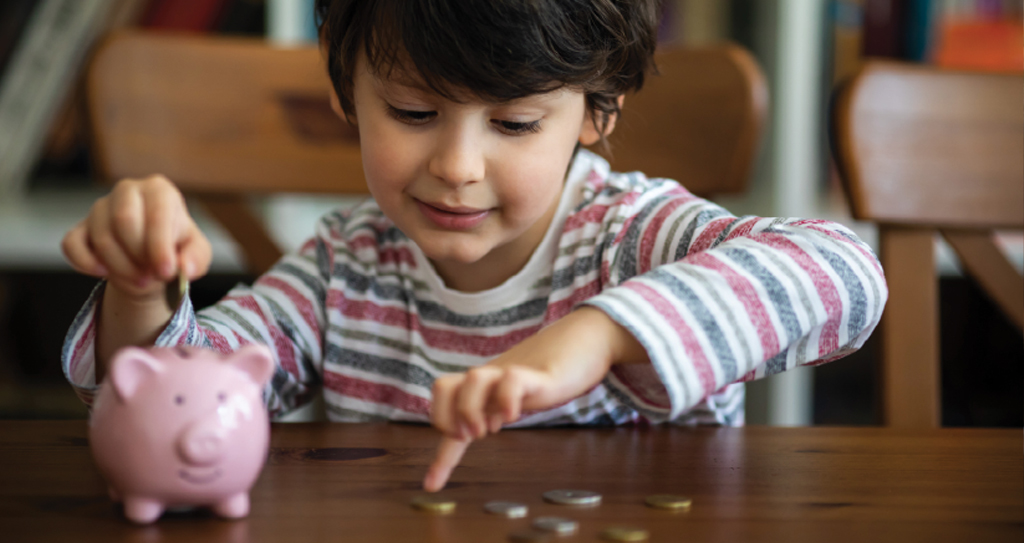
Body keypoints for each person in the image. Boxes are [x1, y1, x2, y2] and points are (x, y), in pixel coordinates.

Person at [61, 0, 887, 493]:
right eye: (414, 115)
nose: (456, 167)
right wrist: (141, 287)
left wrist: (596, 336)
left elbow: (845, 272)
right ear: (349, 93)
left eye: (516, 124)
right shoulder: (343, 267)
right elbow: (170, 402)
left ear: (598, 113)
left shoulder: (627, 235)